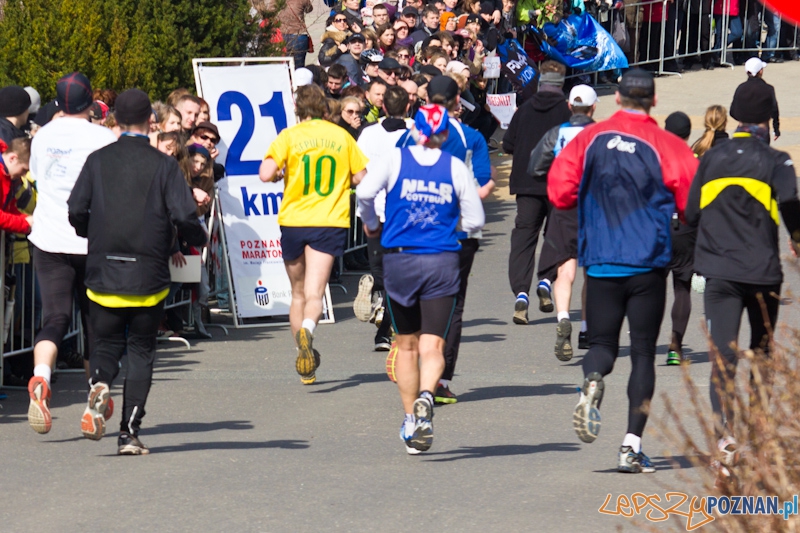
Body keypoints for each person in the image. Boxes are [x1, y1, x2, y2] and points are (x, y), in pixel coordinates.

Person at [548, 69, 698, 473]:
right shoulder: (668, 144)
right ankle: (631, 445)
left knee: (601, 345)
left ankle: (593, 377)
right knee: (644, 352)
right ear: (654, 100)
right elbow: (691, 204)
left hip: (601, 259)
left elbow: (559, 191)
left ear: (616, 98)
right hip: (648, 262)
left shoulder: (589, 139)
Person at [67, 89, 207, 454]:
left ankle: (99, 384)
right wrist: (198, 237)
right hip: (148, 273)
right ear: (151, 122)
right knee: (142, 351)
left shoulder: (97, 161)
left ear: (115, 120)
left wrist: (92, 234)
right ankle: (128, 433)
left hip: (104, 270)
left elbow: (76, 209)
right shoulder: (163, 165)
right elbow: (184, 215)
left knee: (106, 343)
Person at [686, 78, 800, 475]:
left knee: (723, 357)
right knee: (762, 354)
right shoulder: (778, 161)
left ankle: (725, 439)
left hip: (719, 272)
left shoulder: (710, 159)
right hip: (763, 272)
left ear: (735, 116)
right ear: (768, 117)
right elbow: (791, 207)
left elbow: (691, 213)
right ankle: (758, 436)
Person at [356, 104, 485, 454]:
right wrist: (450, 225)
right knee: (433, 345)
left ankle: (411, 420)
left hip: (401, 259)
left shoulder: (394, 160)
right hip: (441, 260)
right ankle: (427, 396)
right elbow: (476, 219)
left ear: (415, 131)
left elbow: (364, 193)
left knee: (407, 345)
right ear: (443, 135)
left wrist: (371, 224)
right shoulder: (454, 167)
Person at [25, 72, 119, 435]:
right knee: (96, 322)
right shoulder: (102, 137)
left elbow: (37, 176)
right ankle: (95, 397)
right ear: (89, 101)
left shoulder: (43, 135)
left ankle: (41, 378)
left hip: (50, 237)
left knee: (55, 318)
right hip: (91, 239)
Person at [258, 85, 368, 385]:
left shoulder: (290, 136)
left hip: (295, 220)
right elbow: (361, 176)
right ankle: (308, 329)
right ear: (324, 108)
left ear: (298, 109)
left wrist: (280, 174)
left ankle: (302, 356)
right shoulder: (341, 136)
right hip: (328, 220)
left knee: (297, 293)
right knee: (315, 293)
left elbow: (265, 173)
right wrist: (342, 179)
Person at [527, 85, 597, 361]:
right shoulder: (600, 133)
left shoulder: (557, 133)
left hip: (564, 206)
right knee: (591, 271)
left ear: (569, 106)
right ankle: (586, 329)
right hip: (594, 207)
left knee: (564, 268)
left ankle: (563, 317)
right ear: (593, 107)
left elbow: (535, 166)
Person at [503, 61, 571, 325]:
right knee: (555, 236)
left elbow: (508, 144)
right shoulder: (566, 112)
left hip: (526, 182)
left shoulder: (524, 110)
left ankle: (521, 293)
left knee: (524, 238)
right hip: (558, 185)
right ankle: (545, 280)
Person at [354, 86, 412, 351]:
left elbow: (358, 167)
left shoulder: (368, 133)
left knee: (380, 269)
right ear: (408, 107)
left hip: (372, 209)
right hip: (401, 212)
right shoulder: (413, 133)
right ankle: (385, 329)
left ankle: (379, 307)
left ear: (384, 107)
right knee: (397, 275)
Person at [663, 111, 696, 366]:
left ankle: (645, 342)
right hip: (685, 227)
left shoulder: (655, 158)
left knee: (651, 286)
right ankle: (675, 346)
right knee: (682, 287)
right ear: (688, 134)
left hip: (658, 226)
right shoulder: (695, 163)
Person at [730, 57, 780, 141]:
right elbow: (774, 111)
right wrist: (776, 129)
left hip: (742, 129)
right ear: (760, 71)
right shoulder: (768, 89)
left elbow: (732, 112)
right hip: (761, 130)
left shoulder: (740, 88)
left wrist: (744, 118)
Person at [0, 137, 34, 234]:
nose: (24, 175)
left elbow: (8, 209)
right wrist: (25, 223)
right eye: (24, 170)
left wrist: (28, 219)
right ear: (13, 158)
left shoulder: (7, 176)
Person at [269, 0, 313, 68]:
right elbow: (309, 9)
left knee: (284, 67)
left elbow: (270, 11)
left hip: (282, 35)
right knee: (299, 67)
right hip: (299, 34)